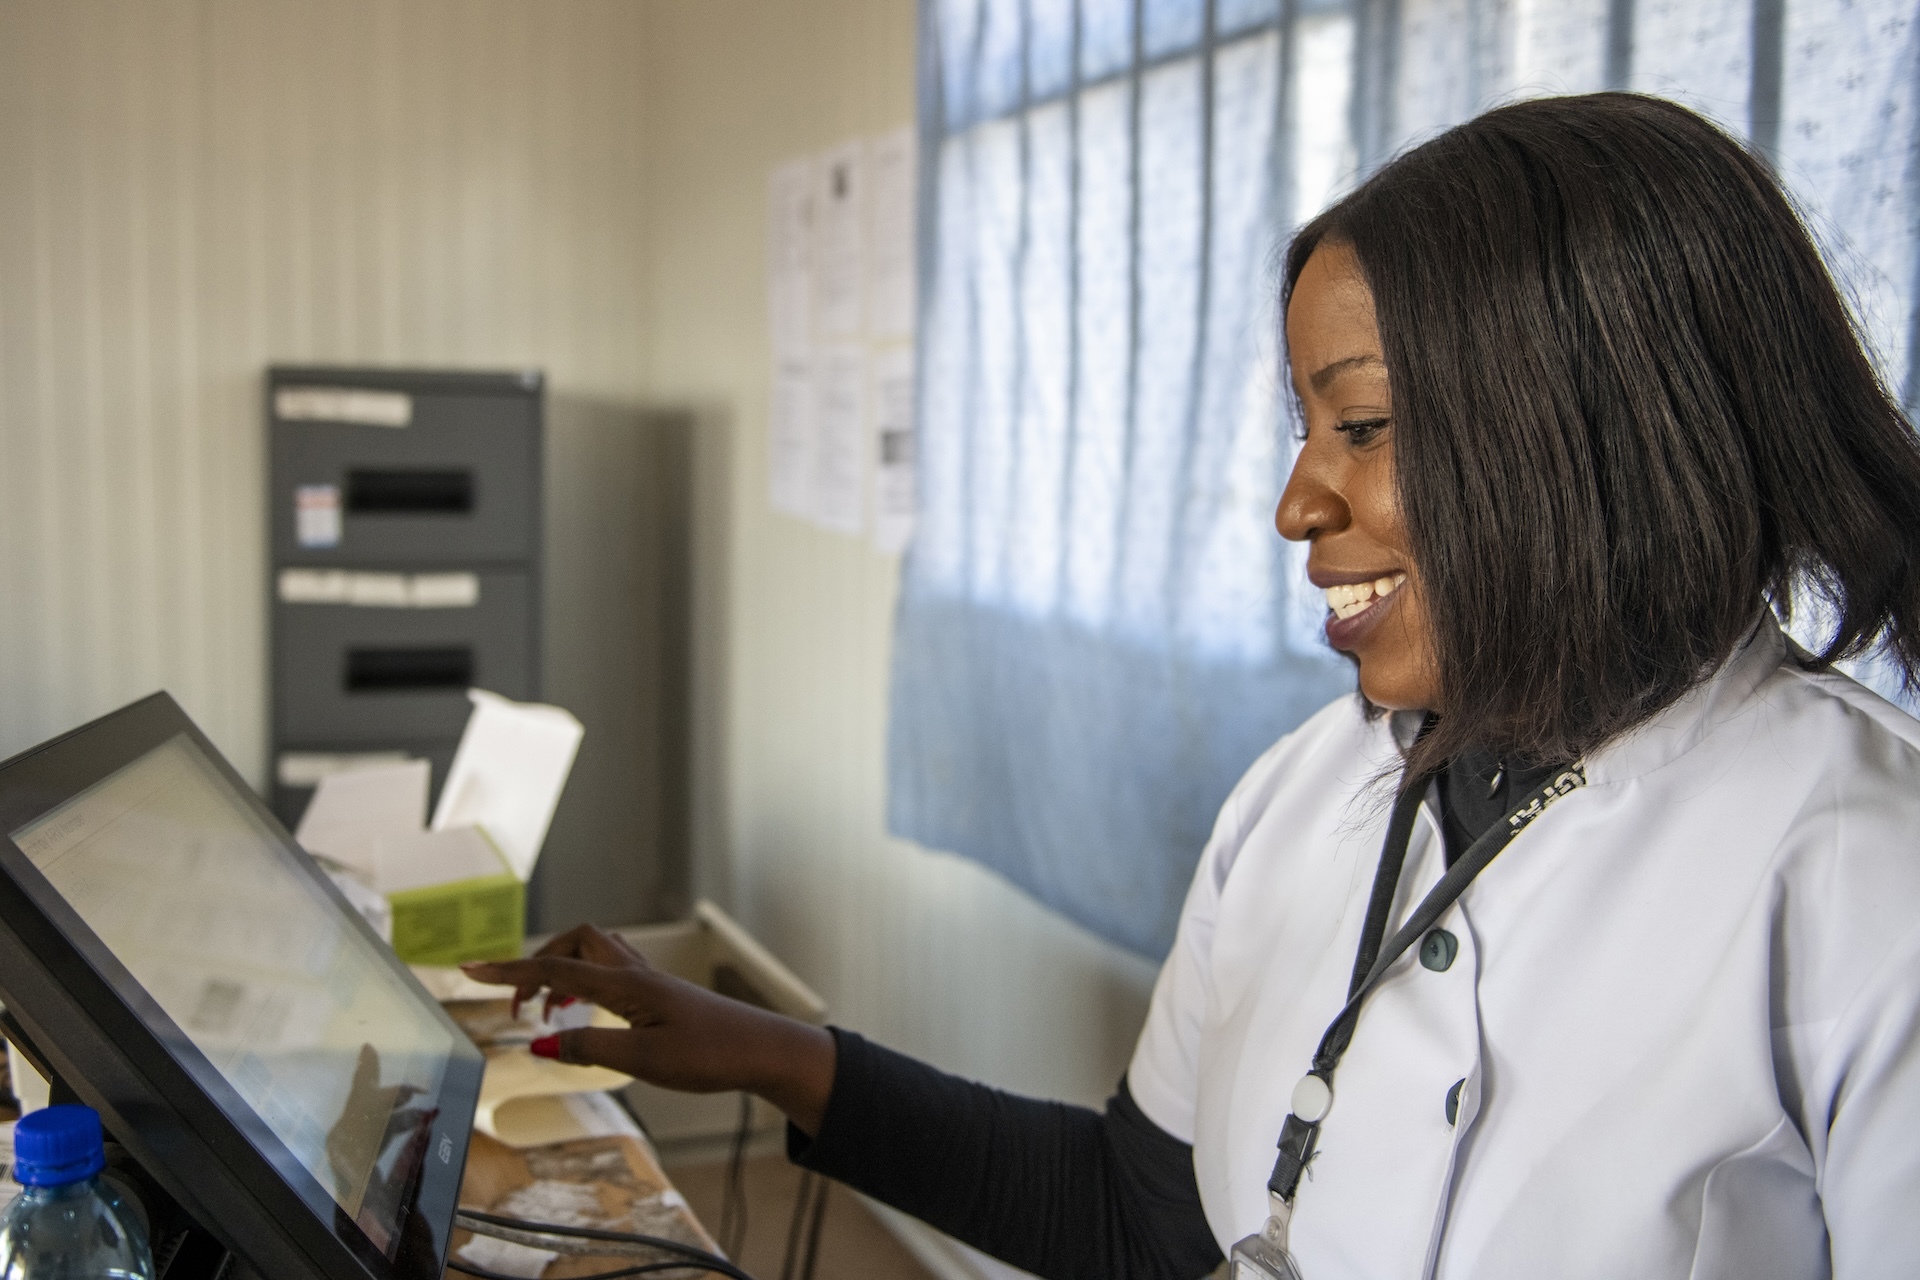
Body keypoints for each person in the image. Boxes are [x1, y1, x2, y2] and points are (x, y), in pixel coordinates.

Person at [464, 93, 1920, 1278]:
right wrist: (772, 1056)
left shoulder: (1863, 873)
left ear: (1596, 430)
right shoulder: (1306, 791)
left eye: (1363, 426)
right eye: (1304, 429)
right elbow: (1142, 1218)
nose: (1297, 503)